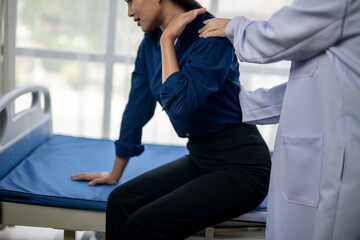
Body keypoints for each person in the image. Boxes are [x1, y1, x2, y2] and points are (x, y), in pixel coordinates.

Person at [72, 0, 272, 239]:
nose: (129, 12)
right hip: (201, 157)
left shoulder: (210, 35)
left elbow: (181, 105)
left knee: (143, 225)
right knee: (120, 201)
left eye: (131, 1)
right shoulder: (148, 48)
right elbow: (136, 109)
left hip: (243, 167)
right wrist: (115, 172)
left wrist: (167, 40)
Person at [198, 0, 360, 239]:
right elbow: (308, 87)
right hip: (320, 152)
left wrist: (234, 27)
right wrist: (243, 104)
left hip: (336, 160)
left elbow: (276, 36)